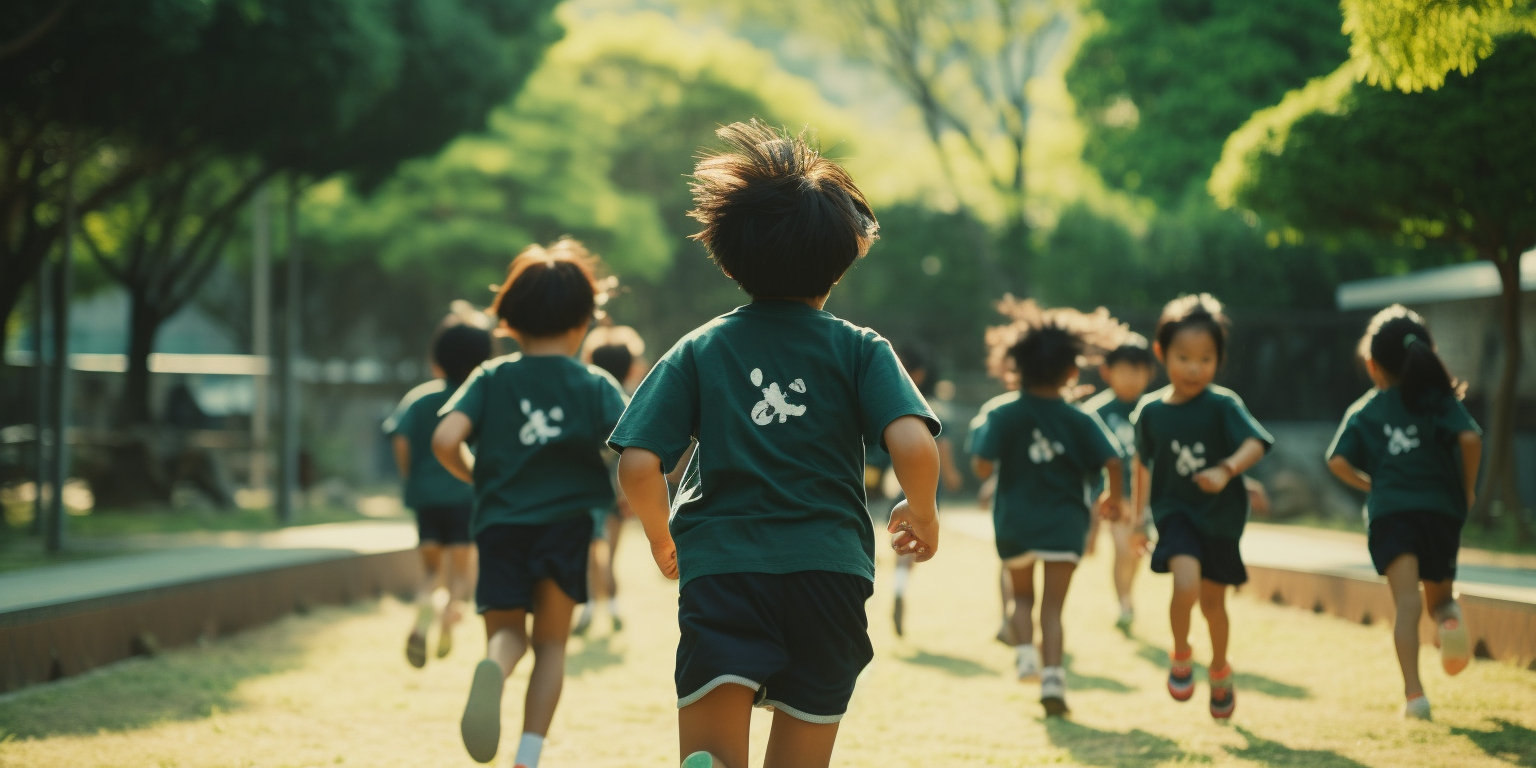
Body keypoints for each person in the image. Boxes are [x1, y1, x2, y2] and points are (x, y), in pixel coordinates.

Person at [609, 121, 941, 768]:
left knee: (713, 737)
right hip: (829, 570)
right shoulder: (860, 349)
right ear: (843, 256)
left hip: (724, 569)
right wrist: (921, 512)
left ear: (729, 255)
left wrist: (658, 533)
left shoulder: (703, 348)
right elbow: (912, 442)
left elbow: (639, 461)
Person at [432, 239, 628, 768]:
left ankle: (495, 666)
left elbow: (445, 439)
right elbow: (635, 444)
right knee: (552, 646)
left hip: (500, 525)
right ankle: (527, 756)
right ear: (583, 321)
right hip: (565, 527)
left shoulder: (491, 379)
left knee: (507, 635)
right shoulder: (594, 384)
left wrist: (480, 478)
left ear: (510, 320)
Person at [969, 297, 1126, 716]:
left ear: (1015, 367)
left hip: (1016, 522)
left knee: (1021, 598)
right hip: (1064, 524)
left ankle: (1024, 656)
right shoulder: (1079, 418)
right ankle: (1053, 678)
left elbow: (982, 464)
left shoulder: (1000, 413)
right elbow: (1113, 458)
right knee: (1053, 608)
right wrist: (1114, 496)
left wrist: (991, 460)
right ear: (1073, 371)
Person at [1325, 305, 1480, 721]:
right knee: (1440, 602)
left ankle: (1415, 697)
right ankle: (1450, 623)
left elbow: (1335, 460)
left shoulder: (1366, 409)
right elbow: (1470, 437)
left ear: (1373, 365)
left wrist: (1370, 484)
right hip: (1439, 514)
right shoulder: (1438, 402)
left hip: (1392, 515)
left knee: (1407, 605)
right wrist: (1465, 489)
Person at [1131, 293, 1273, 720]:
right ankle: (1180, 653)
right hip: (1175, 512)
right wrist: (1139, 517)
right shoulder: (1150, 412)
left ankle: (1220, 669)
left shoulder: (1223, 404)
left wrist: (1227, 471)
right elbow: (1142, 465)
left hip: (1222, 518)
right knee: (1185, 581)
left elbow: (1256, 442)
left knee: (1214, 605)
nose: (1194, 368)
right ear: (1161, 353)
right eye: (1184, 357)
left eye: (1206, 359)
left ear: (1219, 359)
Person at [385, 319, 492, 668]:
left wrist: (410, 475)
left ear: (437, 358)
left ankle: (421, 618)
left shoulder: (419, 398)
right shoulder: (478, 398)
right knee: (461, 574)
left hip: (426, 499)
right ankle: (450, 615)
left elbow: (399, 438)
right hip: (465, 498)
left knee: (432, 571)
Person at [884, 342, 965, 637]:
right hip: (926, 483)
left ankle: (898, 588)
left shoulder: (891, 399)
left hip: (900, 478)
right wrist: (952, 472)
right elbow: (940, 444)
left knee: (903, 537)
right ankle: (900, 590)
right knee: (912, 535)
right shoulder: (931, 404)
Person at [574, 324, 649, 636]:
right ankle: (611, 606)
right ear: (631, 366)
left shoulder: (584, 397)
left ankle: (590, 605)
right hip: (619, 489)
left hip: (586, 489)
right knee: (609, 552)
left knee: (593, 550)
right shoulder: (633, 401)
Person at [1080, 334, 1157, 633]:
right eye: (1124, 370)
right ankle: (1124, 603)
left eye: (1138, 370)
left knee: (1135, 552)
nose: (1131, 378)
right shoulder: (1096, 412)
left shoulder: (1154, 409)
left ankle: (1127, 593)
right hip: (1113, 497)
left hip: (1147, 497)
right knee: (1123, 549)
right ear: (1107, 372)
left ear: (1149, 373)